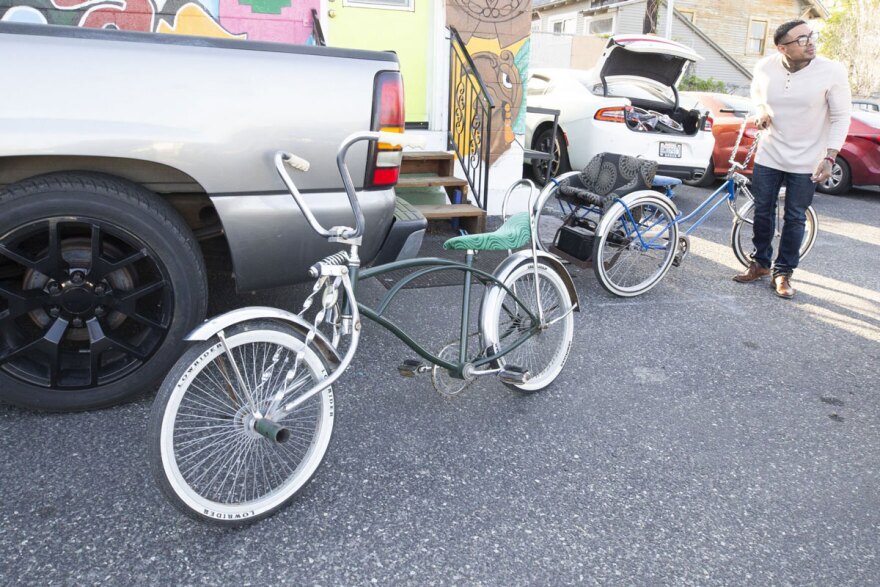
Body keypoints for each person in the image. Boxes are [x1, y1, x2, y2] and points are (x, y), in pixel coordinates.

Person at [733, 20, 851, 298]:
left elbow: (841, 116)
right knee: (762, 211)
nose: (810, 42)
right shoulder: (765, 67)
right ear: (782, 48)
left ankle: (783, 272)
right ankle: (760, 263)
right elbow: (757, 93)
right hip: (770, 153)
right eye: (801, 39)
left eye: (811, 36)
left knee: (795, 217)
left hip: (808, 159)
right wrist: (762, 111)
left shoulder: (831, 71)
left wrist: (830, 156)